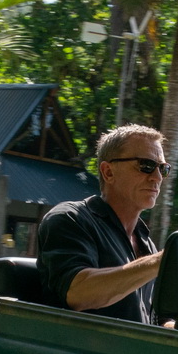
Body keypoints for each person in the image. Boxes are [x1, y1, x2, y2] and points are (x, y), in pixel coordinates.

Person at [37, 124, 168, 322]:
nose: (157, 177)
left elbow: (153, 321)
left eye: (163, 169)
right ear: (108, 172)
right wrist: (158, 262)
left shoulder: (145, 242)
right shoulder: (70, 218)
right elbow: (78, 293)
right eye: (146, 165)